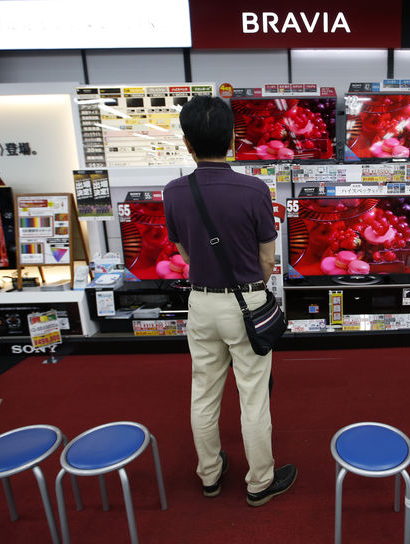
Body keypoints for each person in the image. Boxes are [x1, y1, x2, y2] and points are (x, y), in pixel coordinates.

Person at [163, 95, 296, 506]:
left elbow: (184, 254)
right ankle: (259, 482)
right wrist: (251, 281)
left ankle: (209, 475)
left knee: (203, 392)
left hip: (201, 303)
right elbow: (268, 260)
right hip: (248, 305)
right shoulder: (254, 189)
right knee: (253, 395)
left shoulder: (173, 192)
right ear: (232, 139)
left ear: (187, 143)